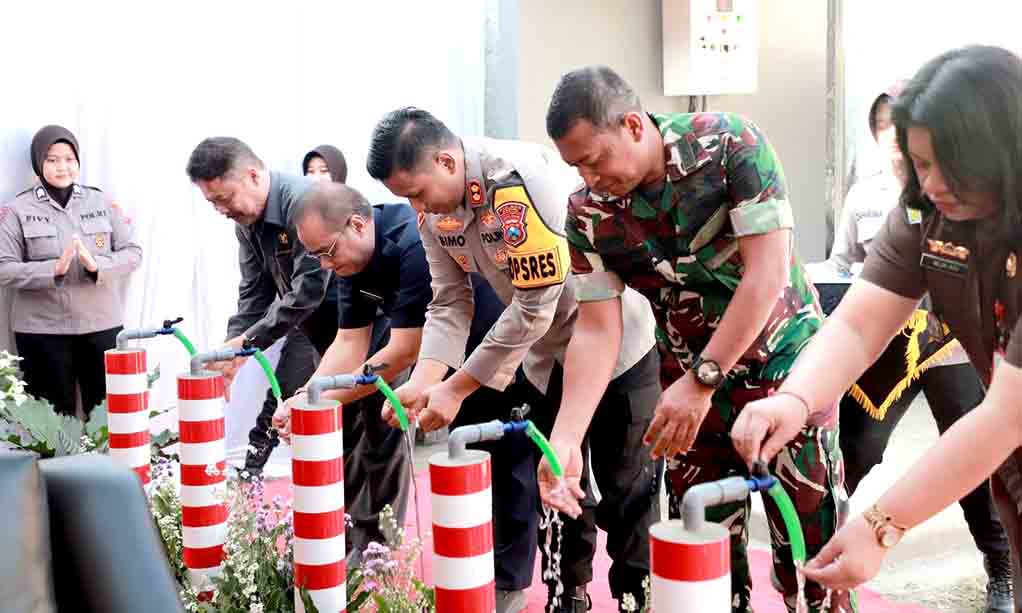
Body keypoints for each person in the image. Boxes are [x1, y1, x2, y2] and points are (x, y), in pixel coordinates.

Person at [540, 66, 851, 612]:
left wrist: (704, 379)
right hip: (687, 395)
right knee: (699, 555)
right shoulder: (587, 213)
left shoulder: (732, 145)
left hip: (787, 378)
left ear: (633, 125)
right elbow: (596, 326)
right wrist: (566, 436)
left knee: (811, 557)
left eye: (593, 159)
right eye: (575, 167)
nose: (588, 178)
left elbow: (766, 274)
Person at [730, 45, 1022, 612]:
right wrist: (794, 399)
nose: (929, 182)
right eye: (919, 163)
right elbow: (860, 324)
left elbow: (1004, 416)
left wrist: (883, 523)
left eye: (944, 164)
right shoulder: (930, 212)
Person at [368, 107, 662, 613]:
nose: (415, 206)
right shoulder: (435, 209)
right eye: (405, 199)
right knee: (558, 481)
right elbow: (449, 300)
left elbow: (532, 305)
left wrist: (457, 388)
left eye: (416, 192)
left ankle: (638, 598)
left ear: (444, 160)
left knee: (625, 491)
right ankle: (568, 597)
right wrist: (425, 378)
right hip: (547, 360)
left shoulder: (511, 185)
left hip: (614, 350)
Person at [825, 82, 1011, 610]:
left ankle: (1000, 567)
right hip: (886, 344)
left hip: (950, 344)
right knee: (858, 448)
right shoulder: (870, 198)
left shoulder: (986, 213)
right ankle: (830, 546)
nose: (896, 143)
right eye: (886, 130)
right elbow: (844, 275)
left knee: (976, 452)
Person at [185, 136, 338, 479]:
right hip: (314, 333)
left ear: (253, 175)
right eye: (212, 203)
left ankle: (377, 533)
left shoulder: (304, 202)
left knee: (364, 445)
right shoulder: (247, 223)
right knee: (323, 442)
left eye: (224, 198)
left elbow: (309, 288)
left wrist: (247, 345)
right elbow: (254, 293)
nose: (222, 210)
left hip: (355, 331)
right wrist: (231, 350)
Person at [0, 125, 141, 416]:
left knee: (109, 418)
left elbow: (132, 253)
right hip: (42, 330)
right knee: (51, 423)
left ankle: (105, 464)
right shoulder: (16, 209)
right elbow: (4, 268)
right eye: (52, 159)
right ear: (38, 163)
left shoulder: (101, 201)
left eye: (69, 159)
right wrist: (53, 269)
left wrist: (96, 265)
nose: (62, 167)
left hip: (100, 325)